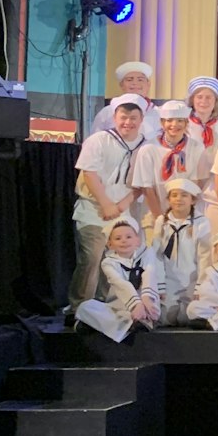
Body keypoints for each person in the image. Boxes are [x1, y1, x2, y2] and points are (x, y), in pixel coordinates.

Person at [71, 94, 148, 311]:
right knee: (92, 259)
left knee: (117, 260)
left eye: (133, 117)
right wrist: (106, 204)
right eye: (123, 117)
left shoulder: (146, 145)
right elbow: (89, 173)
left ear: (141, 119)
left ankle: (111, 305)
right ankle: (81, 308)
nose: (128, 122)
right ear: (114, 117)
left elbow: (144, 181)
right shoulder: (98, 140)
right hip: (94, 209)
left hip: (124, 211)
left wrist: (122, 205)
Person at [72, 215, 161, 342]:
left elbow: (149, 274)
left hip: (146, 303)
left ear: (137, 240)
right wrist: (136, 304)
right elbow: (120, 283)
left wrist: (145, 299)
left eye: (129, 237)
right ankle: (130, 324)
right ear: (110, 244)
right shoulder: (108, 263)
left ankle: (101, 324)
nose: (124, 241)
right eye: (118, 238)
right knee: (85, 307)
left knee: (152, 311)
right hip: (120, 306)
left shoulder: (147, 253)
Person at [132, 99, 203, 222]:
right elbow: (146, 187)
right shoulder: (148, 149)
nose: (174, 125)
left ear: (186, 123)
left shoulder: (196, 147)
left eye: (180, 121)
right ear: (162, 123)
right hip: (153, 213)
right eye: (169, 121)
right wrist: (161, 218)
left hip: (186, 215)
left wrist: (186, 216)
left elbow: (195, 184)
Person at [152, 178, 208, 325]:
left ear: (192, 200)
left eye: (184, 195)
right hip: (169, 280)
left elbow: (205, 257)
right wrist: (160, 285)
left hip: (191, 281)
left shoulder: (201, 222)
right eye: (174, 195)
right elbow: (157, 256)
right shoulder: (161, 222)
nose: (179, 199)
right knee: (164, 317)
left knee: (189, 315)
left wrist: (200, 287)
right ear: (169, 199)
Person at [90, 61, 160, 140]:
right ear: (121, 85)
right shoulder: (107, 112)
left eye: (140, 80)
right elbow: (95, 140)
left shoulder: (158, 113)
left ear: (148, 84)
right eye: (129, 80)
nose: (135, 83)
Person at [186, 76, 218, 158]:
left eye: (208, 97)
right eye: (199, 97)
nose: (204, 101)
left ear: (216, 101)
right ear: (192, 100)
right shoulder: (184, 125)